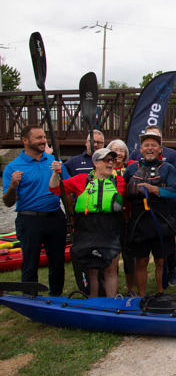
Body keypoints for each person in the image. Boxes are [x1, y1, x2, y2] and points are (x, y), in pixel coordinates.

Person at [49, 148, 125, 297]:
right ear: (96, 163)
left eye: (112, 160)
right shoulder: (80, 180)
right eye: (106, 160)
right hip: (87, 230)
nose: (110, 163)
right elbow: (55, 189)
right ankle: (93, 301)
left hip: (110, 230)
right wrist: (55, 173)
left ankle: (111, 304)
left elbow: (126, 205)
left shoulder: (120, 181)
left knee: (110, 269)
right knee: (92, 270)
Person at [2, 125, 69, 296]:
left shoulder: (54, 161)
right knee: (30, 263)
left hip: (55, 217)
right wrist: (13, 186)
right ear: (25, 140)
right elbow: (8, 202)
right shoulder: (12, 167)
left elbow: (67, 190)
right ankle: (30, 299)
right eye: (38, 138)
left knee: (57, 262)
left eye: (44, 137)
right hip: (30, 220)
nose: (43, 140)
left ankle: (55, 297)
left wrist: (71, 216)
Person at [127, 124, 176, 287]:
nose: (150, 149)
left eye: (154, 146)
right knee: (142, 260)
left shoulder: (168, 168)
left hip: (161, 219)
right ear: (141, 149)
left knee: (160, 260)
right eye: (146, 146)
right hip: (139, 221)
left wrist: (154, 189)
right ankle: (141, 295)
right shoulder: (131, 168)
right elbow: (123, 190)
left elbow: (172, 191)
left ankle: (160, 293)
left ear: (160, 150)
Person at [107, 139, 135, 296]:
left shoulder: (131, 168)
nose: (118, 153)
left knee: (129, 255)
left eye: (121, 150)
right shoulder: (104, 169)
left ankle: (131, 288)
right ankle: (112, 288)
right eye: (115, 150)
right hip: (111, 219)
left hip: (128, 217)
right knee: (112, 256)